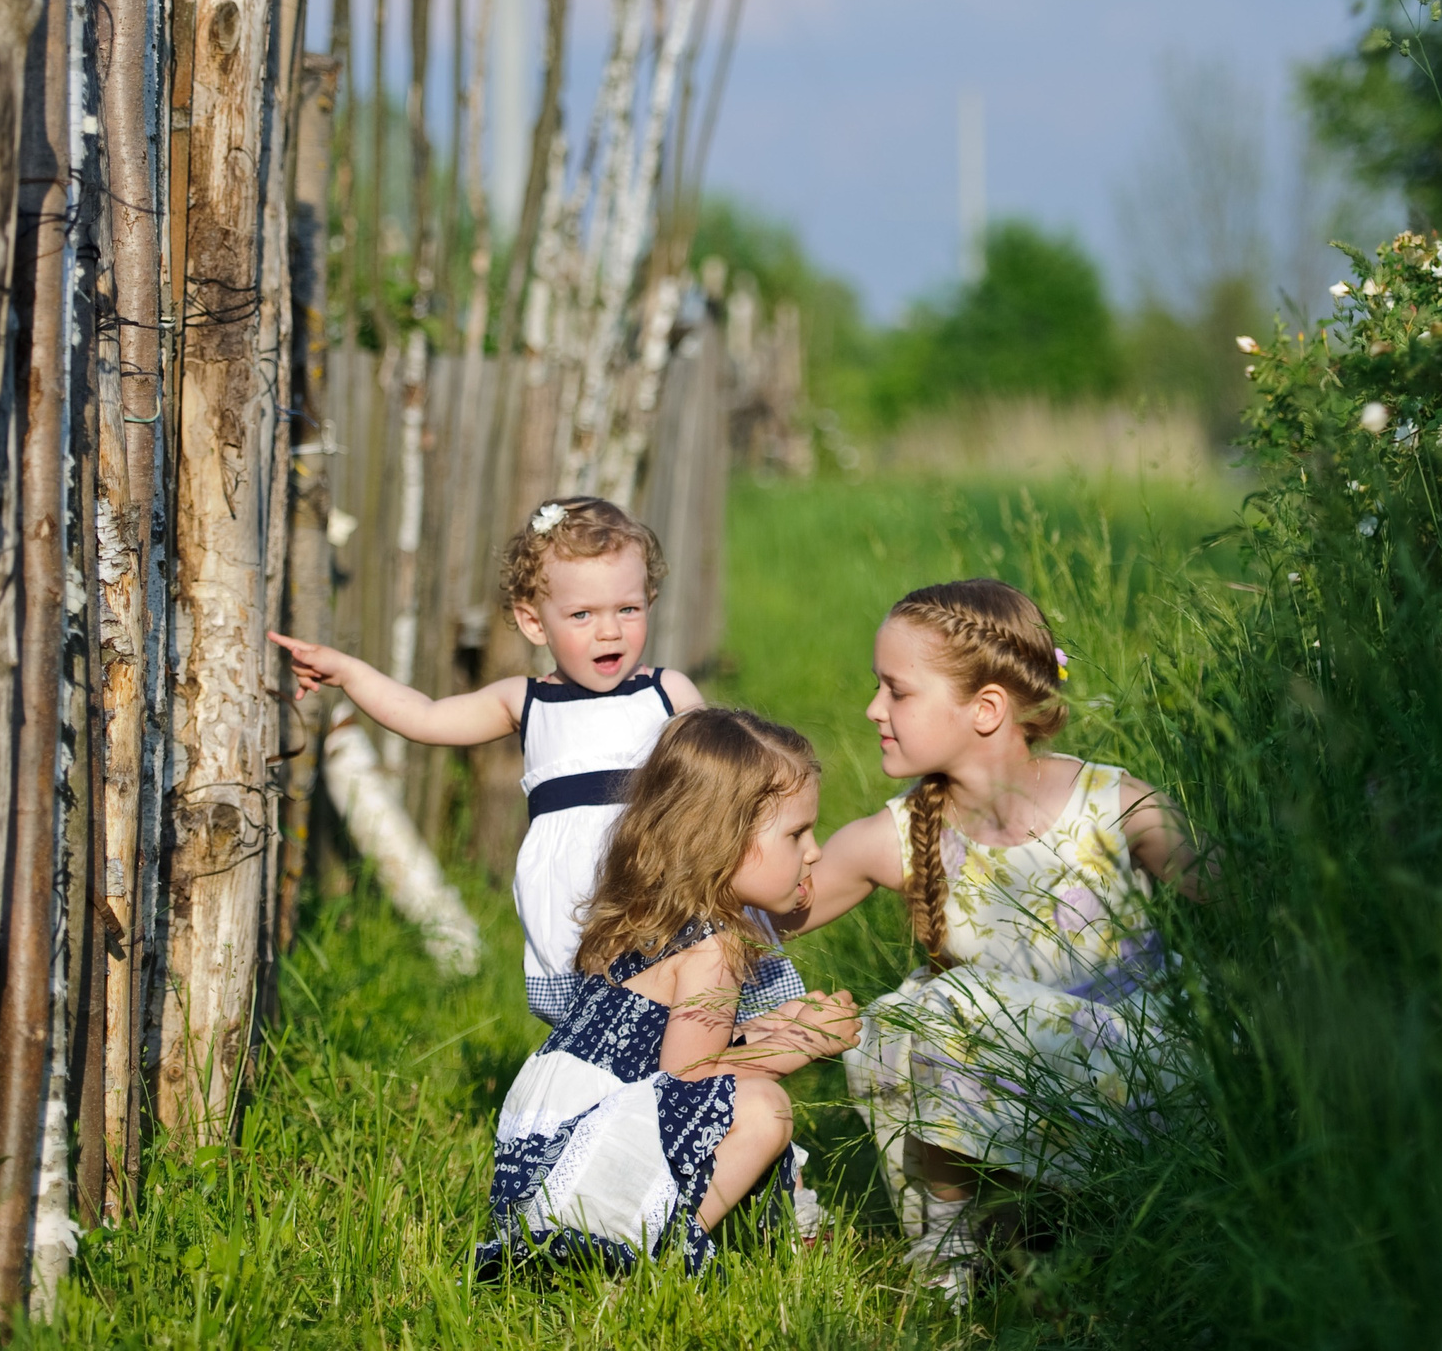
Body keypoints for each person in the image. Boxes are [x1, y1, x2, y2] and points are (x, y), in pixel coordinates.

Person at [775, 578, 1203, 1300]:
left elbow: (1250, 893)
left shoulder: (1112, 807)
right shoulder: (904, 833)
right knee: (908, 1018)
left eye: (896, 691)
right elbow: (766, 911)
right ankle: (969, 1250)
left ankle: (1024, 1233)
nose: (873, 709)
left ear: (987, 709)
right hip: (1030, 1098)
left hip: (1144, 1084)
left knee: (946, 1005)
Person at [271, 495, 805, 1028]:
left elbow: (726, 778)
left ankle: (748, 1065)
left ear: (650, 599)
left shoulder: (667, 692)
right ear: (533, 622)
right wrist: (350, 673)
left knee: (709, 1019)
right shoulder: (526, 701)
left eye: (628, 609)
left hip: (670, 888)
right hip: (582, 914)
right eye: (582, 615)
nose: (609, 631)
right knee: (613, 1043)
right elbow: (426, 717)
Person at [476, 709, 862, 1278]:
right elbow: (689, 1079)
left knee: (747, 1091)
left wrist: (767, 1028)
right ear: (722, 839)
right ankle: (653, 1255)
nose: (814, 852)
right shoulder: (714, 946)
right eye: (796, 834)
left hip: (542, 1165)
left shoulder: (653, 913)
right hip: (580, 1181)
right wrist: (800, 1043)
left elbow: (656, 1056)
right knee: (763, 1108)